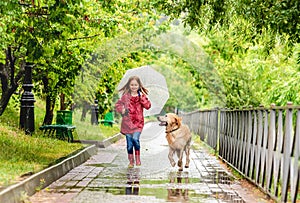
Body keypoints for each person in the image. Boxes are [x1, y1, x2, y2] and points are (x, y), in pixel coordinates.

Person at [115, 76, 151, 168]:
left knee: (135, 139)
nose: (134, 87)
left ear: (139, 86)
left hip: (138, 124)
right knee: (129, 145)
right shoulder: (125, 97)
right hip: (127, 124)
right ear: (129, 85)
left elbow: (148, 106)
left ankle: (138, 158)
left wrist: (142, 98)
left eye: (135, 85)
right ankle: (131, 161)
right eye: (132, 85)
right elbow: (118, 105)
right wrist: (122, 110)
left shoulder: (142, 97)